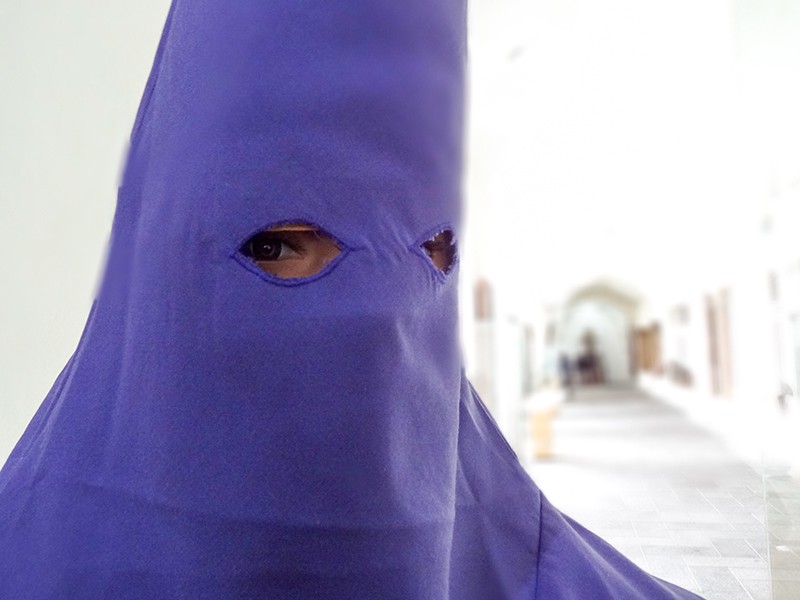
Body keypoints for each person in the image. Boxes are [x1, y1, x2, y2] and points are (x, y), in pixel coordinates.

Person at [0, 1, 702, 598]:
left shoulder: (518, 551)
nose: (379, 315)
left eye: (430, 252)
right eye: (275, 247)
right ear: (157, 270)